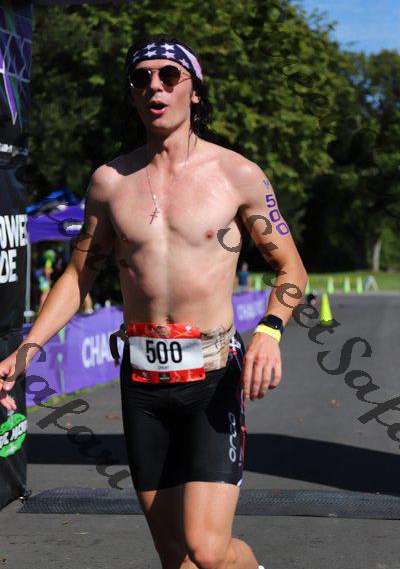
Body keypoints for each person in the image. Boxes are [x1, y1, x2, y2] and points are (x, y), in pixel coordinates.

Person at [0, 34, 308, 569]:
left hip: (213, 378)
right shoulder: (110, 182)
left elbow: (291, 269)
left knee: (208, 551)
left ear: (195, 90)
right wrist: (27, 349)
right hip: (143, 383)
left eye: (169, 75)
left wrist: (270, 329)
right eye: (141, 78)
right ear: (132, 94)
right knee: (174, 556)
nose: (154, 87)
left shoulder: (237, 175)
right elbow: (79, 275)